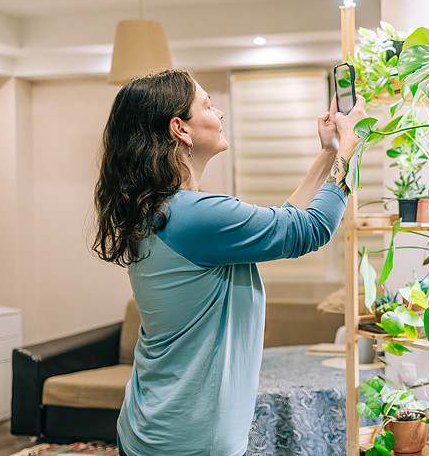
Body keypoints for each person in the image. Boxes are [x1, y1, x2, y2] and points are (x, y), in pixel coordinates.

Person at [91, 69, 366, 456]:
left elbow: (286, 219)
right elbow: (310, 229)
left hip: (150, 426)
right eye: (208, 105)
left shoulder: (161, 209)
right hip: (188, 441)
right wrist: (349, 154)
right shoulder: (194, 215)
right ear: (180, 129)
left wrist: (327, 154)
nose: (219, 114)